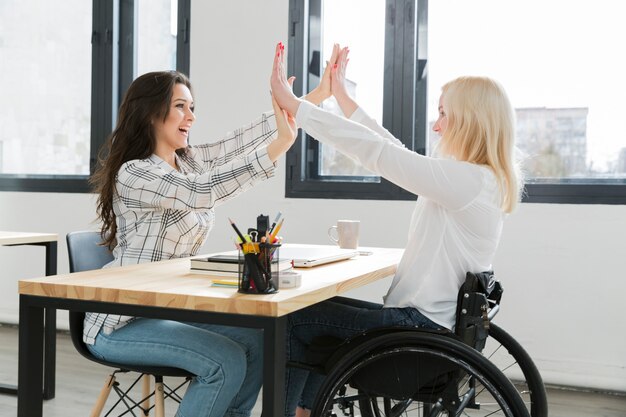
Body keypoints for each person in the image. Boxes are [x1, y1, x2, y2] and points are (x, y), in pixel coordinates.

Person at [270, 43, 522, 417]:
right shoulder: (481, 179)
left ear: (470, 120)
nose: (437, 126)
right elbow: (391, 148)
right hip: (432, 328)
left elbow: (379, 154)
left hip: (414, 330)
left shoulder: (465, 180)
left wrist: (296, 107)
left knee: (292, 319)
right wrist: (342, 98)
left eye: (443, 115)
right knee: (309, 308)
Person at [87, 58, 334, 417]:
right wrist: (281, 145)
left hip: (166, 310)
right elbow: (202, 191)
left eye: (192, 107)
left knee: (258, 339)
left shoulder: (187, 161)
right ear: (151, 113)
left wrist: (309, 99)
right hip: (121, 321)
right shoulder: (135, 173)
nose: (191, 116)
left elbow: (239, 143)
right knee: (225, 361)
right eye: (180, 107)